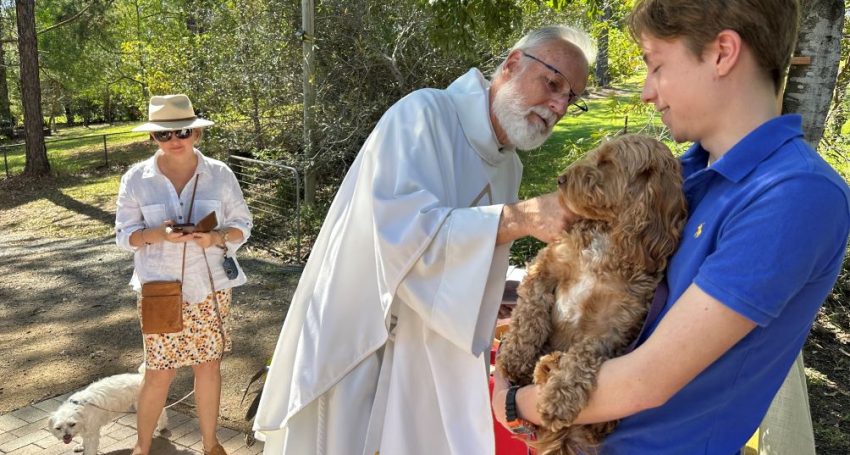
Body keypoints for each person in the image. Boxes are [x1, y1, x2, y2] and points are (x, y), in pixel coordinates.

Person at [492, 0, 850, 453]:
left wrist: (511, 402)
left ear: (722, 52)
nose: (645, 91)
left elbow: (646, 381)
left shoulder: (793, 195)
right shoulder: (684, 175)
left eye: (656, 66)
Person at [252, 26, 595, 455]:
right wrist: (521, 217)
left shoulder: (509, 168)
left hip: (426, 363)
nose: (559, 105)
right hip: (363, 346)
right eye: (552, 83)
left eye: (571, 97)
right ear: (510, 65)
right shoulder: (423, 115)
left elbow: (463, 256)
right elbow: (399, 234)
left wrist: (491, 294)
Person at [115, 94, 253, 455]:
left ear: (197, 134)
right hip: (159, 290)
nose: (174, 141)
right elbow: (123, 236)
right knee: (159, 371)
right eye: (164, 135)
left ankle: (211, 444)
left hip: (210, 287)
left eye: (183, 131)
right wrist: (157, 235)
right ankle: (141, 448)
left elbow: (243, 224)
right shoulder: (136, 179)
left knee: (208, 367)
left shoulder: (220, 174)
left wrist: (216, 237)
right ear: (152, 139)